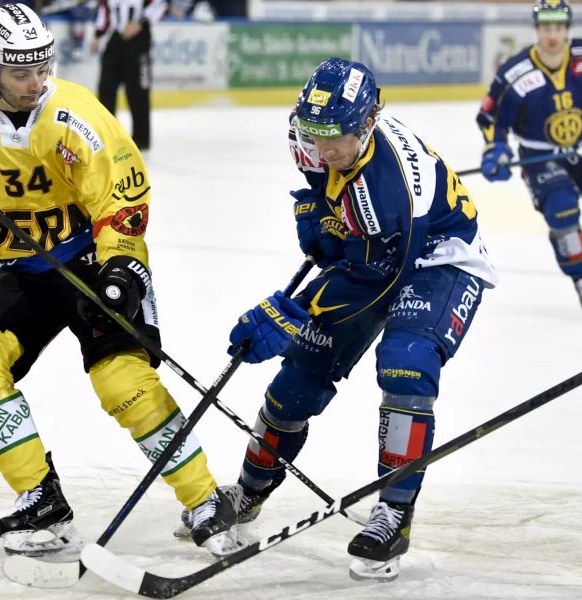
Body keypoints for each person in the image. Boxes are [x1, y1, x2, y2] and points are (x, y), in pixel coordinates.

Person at [0, 3, 239, 558]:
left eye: (42, 68)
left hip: (91, 263)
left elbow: (123, 196)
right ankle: (42, 501)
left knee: (122, 383)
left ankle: (206, 500)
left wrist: (124, 263)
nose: (34, 83)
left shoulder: (75, 113)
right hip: (23, 270)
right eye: (18, 72)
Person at [207, 57, 498, 582]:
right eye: (314, 136)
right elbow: (333, 204)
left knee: (406, 365)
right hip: (379, 252)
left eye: (336, 138)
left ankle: (394, 513)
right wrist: (318, 212)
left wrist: (293, 313)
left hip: (437, 259)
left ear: (368, 123)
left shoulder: (386, 191)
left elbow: (379, 278)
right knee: (298, 378)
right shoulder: (319, 137)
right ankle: (247, 493)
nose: (323, 150)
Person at [476, 0, 582, 312]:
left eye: (558, 27)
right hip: (540, 157)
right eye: (546, 28)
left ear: (567, 28)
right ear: (537, 30)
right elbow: (491, 120)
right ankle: (581, 279)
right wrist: (496, 149)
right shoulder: (514, 74)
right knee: (562, 212)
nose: (552, 35)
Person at [90, 0, 167, 151]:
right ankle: (107, 136)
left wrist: (141, 23)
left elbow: (159, 5)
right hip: (116, 38)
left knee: (139, 91)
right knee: (106, 89)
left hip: (139, 41)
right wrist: (97, 35)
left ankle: (141, 139)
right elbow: (105, 12)